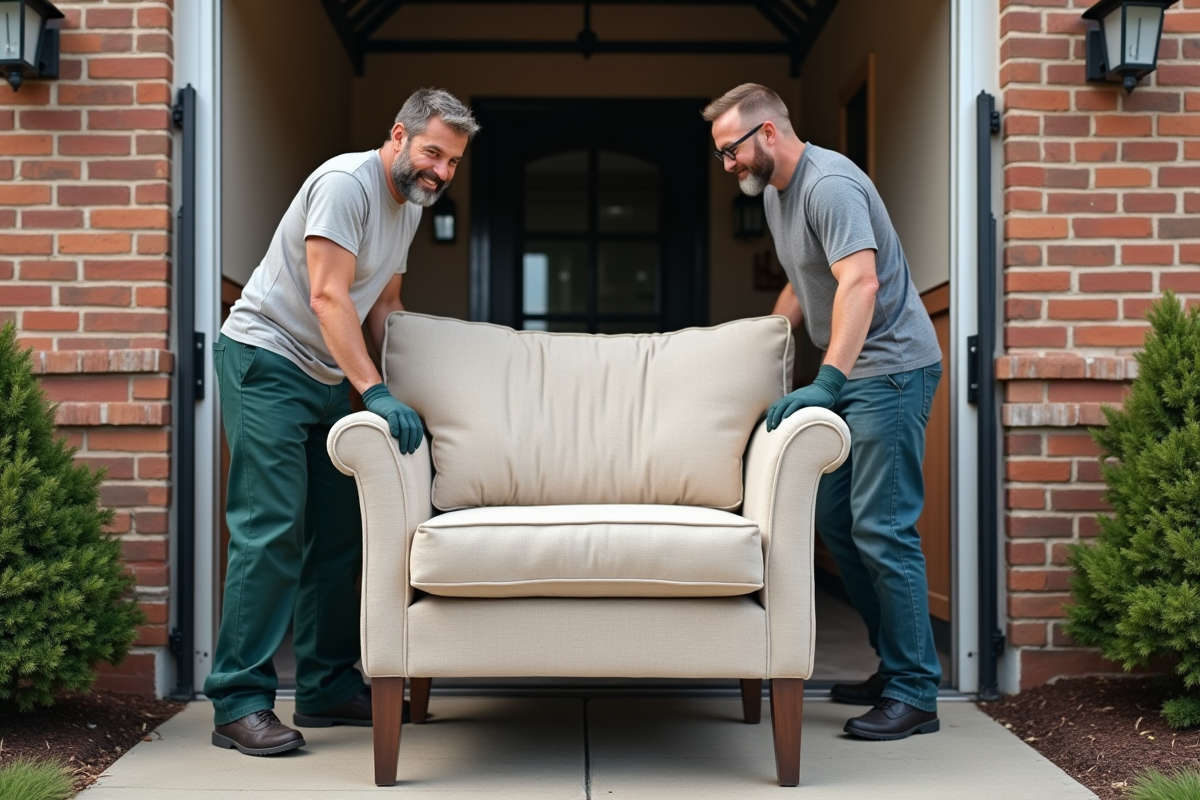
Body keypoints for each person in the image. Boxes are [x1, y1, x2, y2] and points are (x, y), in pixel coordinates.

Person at [207, 88, 479, 756]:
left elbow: (385, 305)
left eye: (453, 161)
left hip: (329, 374)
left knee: (340, 533)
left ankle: (326, 685)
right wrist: (375, 391)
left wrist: (412, 393)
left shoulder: (407, 205)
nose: (441, 172)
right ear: (399, 136)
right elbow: (328, 297)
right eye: (433, 153)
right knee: (270, 529)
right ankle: (238, 701)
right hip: (267, 360)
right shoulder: (344, 185)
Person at [704, 84, 943, 741]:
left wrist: (827, 380)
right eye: (720, 154)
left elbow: (859, 282)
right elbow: (802, 280)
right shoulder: (777, 194)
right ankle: (894, 667)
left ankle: (916, 691)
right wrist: (756, 352)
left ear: (767, 133)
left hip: (890, 370)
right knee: (839, 523)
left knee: (883, 527)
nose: (727, 165)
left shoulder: (829, 184)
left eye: (730, 150)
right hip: (855, 373)